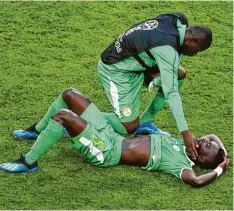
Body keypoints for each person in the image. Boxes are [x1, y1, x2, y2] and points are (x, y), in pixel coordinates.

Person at [0, 88, 228, 188]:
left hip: (106, 150)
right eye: (205, 142)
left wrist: (220, 168)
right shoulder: (186, 145)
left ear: (202, 161)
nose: (203, 140)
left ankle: (29, 162)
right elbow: (212, 136)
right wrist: (222, 152)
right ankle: (40, 130)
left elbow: (196, 181)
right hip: (111, 135)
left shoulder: (182, 165)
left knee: (63, 116)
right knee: (69, 94)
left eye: (206, 147)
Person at [97, 12, 213, 160]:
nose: (196, 54)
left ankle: (145, 123)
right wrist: (185, 132)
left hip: (137, 64)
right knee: (128, 126)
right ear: (191, 39)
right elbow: (171, 93)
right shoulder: (167, 49)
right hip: (116, 70)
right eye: (198, 50)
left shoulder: (177, 19)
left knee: (179, 74)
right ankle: (80, 116)